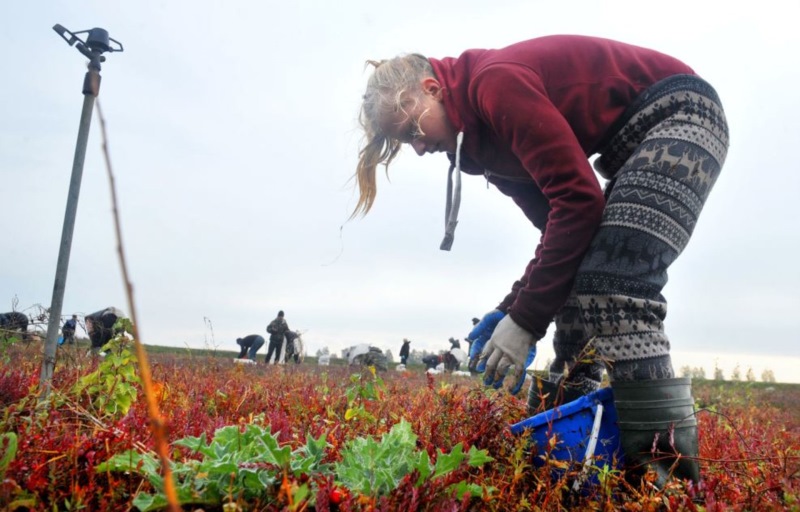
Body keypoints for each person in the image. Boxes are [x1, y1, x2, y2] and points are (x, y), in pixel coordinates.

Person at [353, 35, 728, 487]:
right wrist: (512, 310)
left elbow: (579, 202)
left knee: (616, 284)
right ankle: (568, 460)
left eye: (412, 130)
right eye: (403, 142)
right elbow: (561, 226)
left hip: (682, 113)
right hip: (633, 144)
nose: (417, 148)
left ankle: (668, 481)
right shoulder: (478, 149)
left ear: (432, 89)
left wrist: (527, 321)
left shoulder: (495, 85)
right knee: (577, 284)